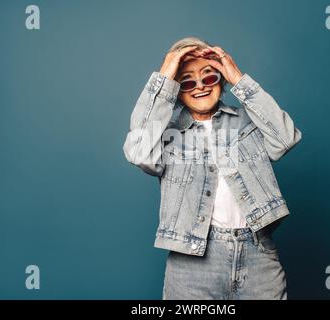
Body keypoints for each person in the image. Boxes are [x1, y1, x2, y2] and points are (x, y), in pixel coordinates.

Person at [123, 36, 302, 299]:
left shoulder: (247, 121)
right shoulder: (166, 134)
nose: (199, 87)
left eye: (208, 77)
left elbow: (285, 138)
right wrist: (164, 74)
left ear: (220, 79)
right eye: (186, 80)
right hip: (192, 260)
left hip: (258, 256)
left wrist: (238, 78)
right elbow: (139, 152)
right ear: (177, 89)